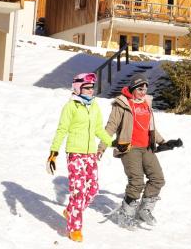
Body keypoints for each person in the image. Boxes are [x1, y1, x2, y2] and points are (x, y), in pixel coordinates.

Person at [102, 75, 181, 228]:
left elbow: (150, 128)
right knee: (136, 182)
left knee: (158, 178)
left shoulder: (146, 104)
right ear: (132, 88)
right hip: (129, 148)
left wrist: (163, 142)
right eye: (140, 88)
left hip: (147, 148)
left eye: (145, 88)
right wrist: (101, 148)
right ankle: (125, 215)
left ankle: (144, 209)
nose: (143, 91)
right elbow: (110, 126)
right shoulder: (122, 104)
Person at [47, 72, 114, 243]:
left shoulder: (95, 106)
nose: (91, 90)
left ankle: (70, 211)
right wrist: (54, 153)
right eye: (87, 87)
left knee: (92, 189)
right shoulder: (71, 107)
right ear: (78, 88)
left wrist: (113, 144)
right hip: (75, 153)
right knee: (78, 191)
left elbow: (99, 129)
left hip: (90, 153)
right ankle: (74, 227)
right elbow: (62, 130)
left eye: (92, 87)